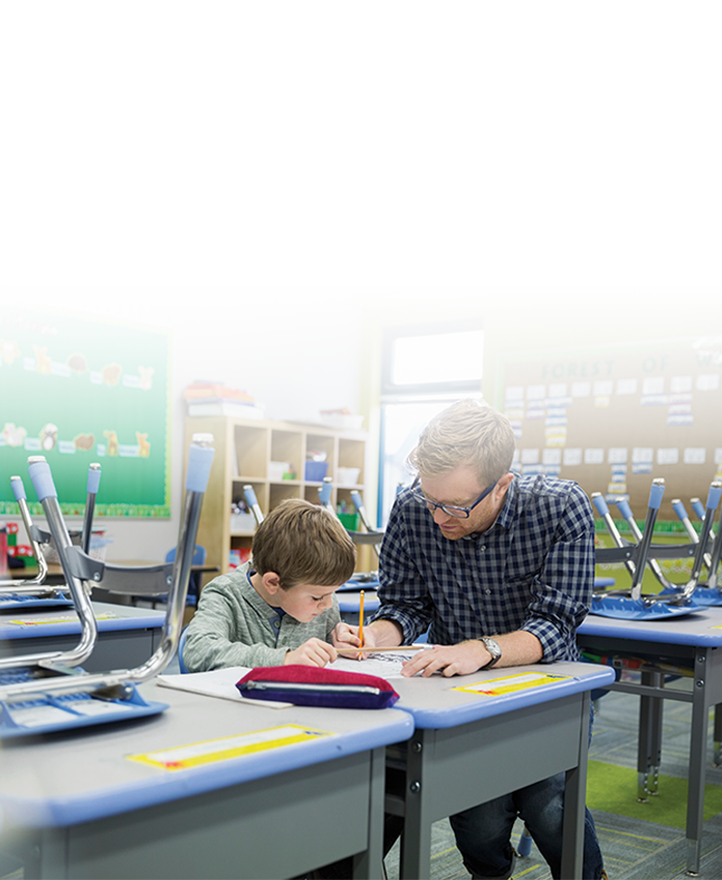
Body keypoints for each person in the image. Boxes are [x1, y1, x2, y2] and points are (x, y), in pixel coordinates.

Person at [335, 398, 608, 880]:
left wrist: (481, 650)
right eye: (430, 500)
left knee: (549, 808)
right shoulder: (412, 508)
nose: (439, 518)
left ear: (502, 485)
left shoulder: (562, 507)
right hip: (458, 690)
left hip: (547, 687)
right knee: (478, 822)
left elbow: (556, 623)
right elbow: (406, 606)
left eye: (456, 506)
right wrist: (373, 634)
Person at [183, 497, 356, 672]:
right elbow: (198, 650)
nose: (329, 604)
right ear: (273, 582)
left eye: (332, 593)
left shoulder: (321, 598)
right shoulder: (225, 594)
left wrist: (341, 643)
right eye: (317, 597)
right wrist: (284, 659)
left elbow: (327, 660)